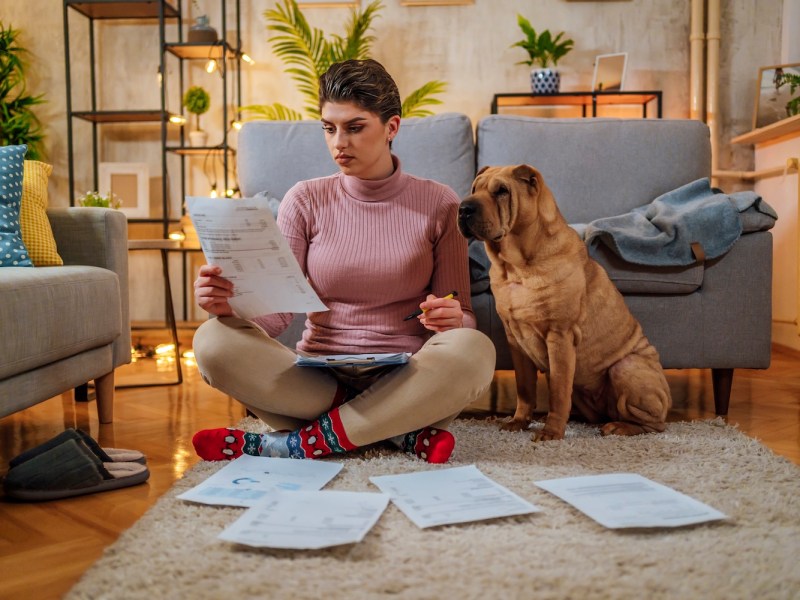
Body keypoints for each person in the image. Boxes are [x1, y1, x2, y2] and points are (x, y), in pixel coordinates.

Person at [191, 59, 495, 464]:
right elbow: (277, 316)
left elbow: (464, 317)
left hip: (407, 377)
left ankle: (299, 442)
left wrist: (453, 319)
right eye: (328, 128)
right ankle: (396, 433)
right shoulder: (305, 199)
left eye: (354, 127)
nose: (339, 143)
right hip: (316, 380)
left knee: (475, 349)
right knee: (210, 340)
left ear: (392, 127)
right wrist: (230, 308)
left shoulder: (440, 203)